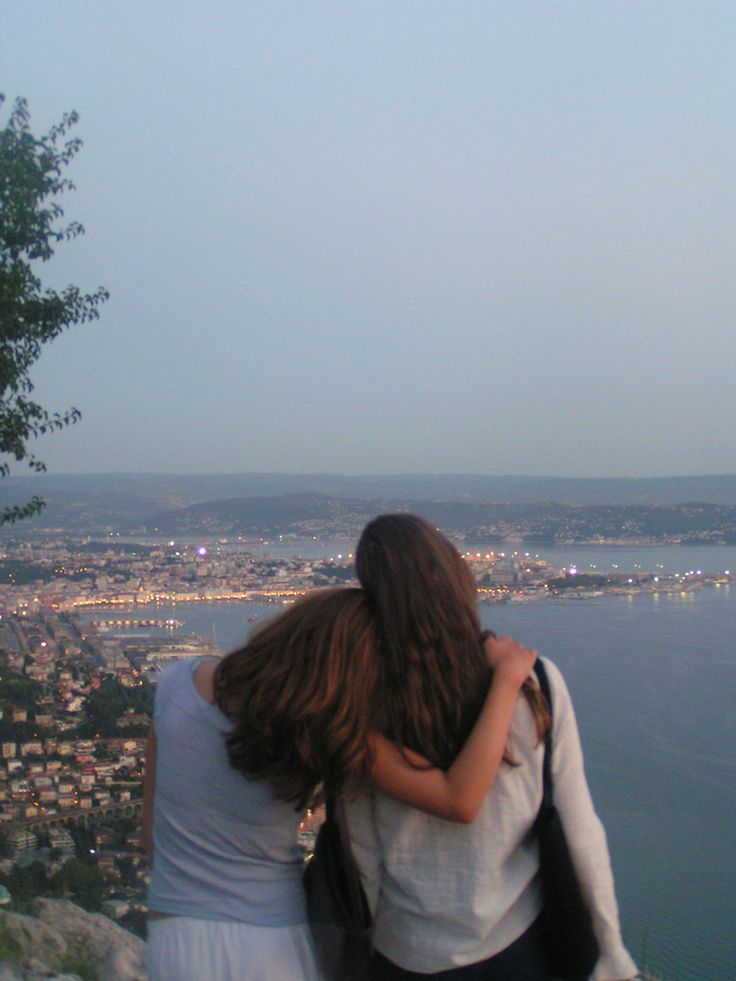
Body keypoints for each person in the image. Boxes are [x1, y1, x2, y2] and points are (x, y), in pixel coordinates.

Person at [143, 586, 535, 981]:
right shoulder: (321, 731)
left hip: (172, 937)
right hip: (271, 943)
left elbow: (150, 838)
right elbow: (460, 799)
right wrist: (506, 681)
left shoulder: (176, 684)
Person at [346, 513, 639, 981]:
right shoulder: (534, 681)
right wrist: (610, 950)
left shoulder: (359, 700)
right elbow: (580, 826)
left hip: (405, 950)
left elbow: (361, 845)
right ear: (460, 581)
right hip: (518, 944)